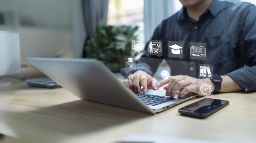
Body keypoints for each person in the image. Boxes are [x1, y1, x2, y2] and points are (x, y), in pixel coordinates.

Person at [122, 0, 256, 98]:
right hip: (176, 114)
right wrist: (141, 73)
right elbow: (146, 61)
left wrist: (210, 84)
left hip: (227, 115)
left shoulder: (244, 14)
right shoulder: (166, 27)